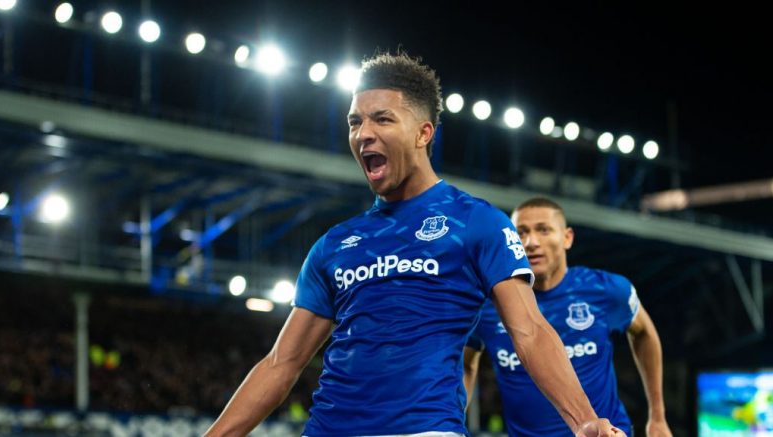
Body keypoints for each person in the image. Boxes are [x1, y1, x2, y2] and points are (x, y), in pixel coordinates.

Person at [205, 52, 625, 437]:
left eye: (382, 120)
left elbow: (530, 330)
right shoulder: (334, 245)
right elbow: (281, 364)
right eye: (355, 122)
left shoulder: (476, 223)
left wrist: (584, 420)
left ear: (424, 133)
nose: (363, 134)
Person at [464, 197, 672, 436]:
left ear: (567, 237)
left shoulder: (606, 290)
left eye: (543, 230)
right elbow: (465, 365)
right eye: (521, 233)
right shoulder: (489, 306)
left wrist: (657, 416)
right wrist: (451, 424)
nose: (531, 242)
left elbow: (644, 332)